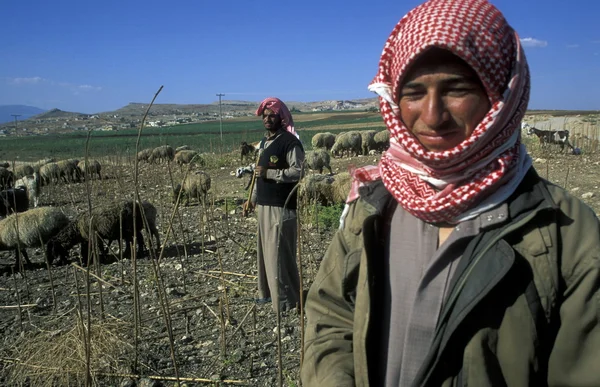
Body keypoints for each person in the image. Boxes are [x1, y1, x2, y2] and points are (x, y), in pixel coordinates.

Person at [301, 0, 600, 386]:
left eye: (455, 89)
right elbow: (331, 316)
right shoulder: (375, 205)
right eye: (413, 92)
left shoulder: (565, 234)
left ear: (501, 96)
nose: (431, 115)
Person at [243, 97, 305, 313]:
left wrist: (271, 173)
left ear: (282, 117)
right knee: (265, 253)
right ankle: (268, 294)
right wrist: (251, 200)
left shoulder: (290, 142)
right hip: (264, 206)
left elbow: (298, 172)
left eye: (272, 115)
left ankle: (287, 301)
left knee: (279, 254)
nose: (268, 119)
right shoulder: (265, 143)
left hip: (281, 206)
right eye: (265, 116)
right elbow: (258, 176)